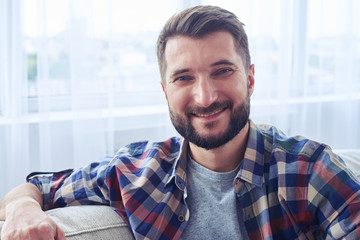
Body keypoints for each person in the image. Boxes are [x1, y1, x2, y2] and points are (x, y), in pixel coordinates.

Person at [1, 5, 360, 240]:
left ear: (250, 78)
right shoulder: (134, 172)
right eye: (183, 78)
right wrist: (21, 209)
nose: (205, 97)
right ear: (165, 90)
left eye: (222, 71)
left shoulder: (311, 171)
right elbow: (39, 187)